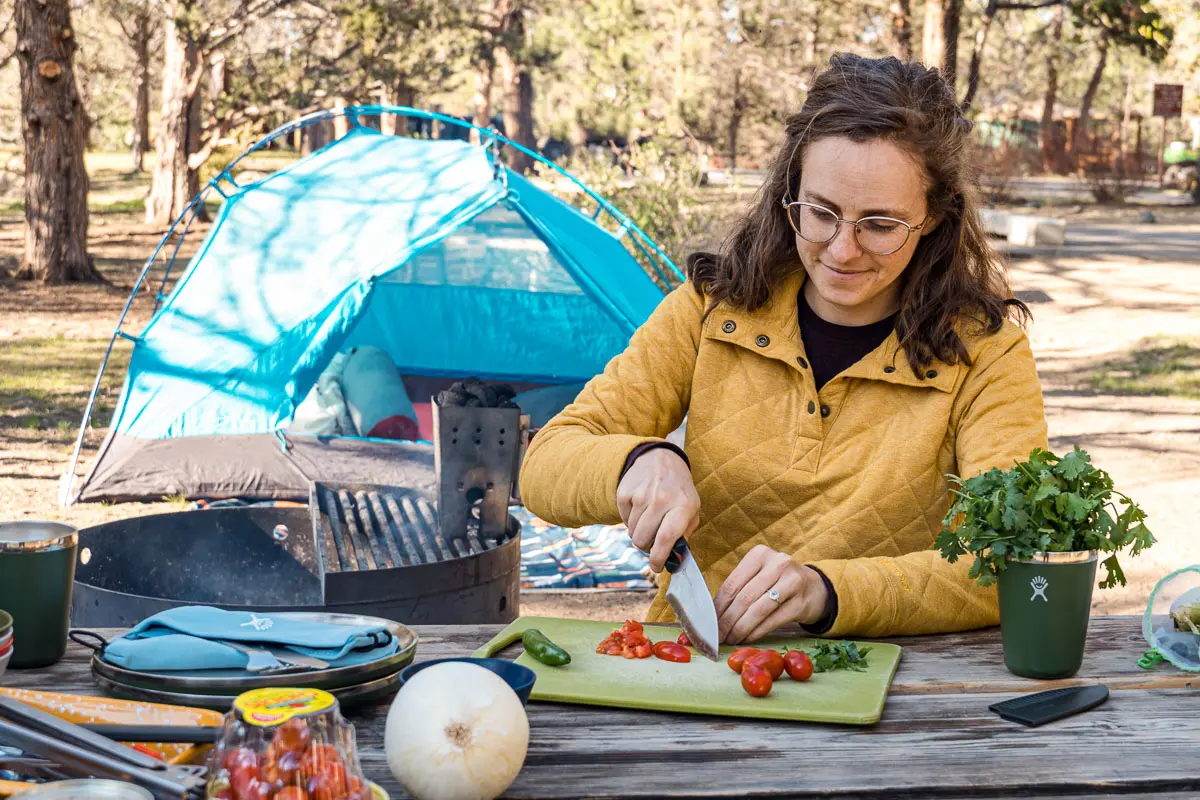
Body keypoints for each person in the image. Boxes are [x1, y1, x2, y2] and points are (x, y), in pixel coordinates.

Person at [518, 53, 1048, 642]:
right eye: (819, 213)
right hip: (691, 668)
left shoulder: (986, 354)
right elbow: (544, 466)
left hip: (893, 686)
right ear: (787, 193)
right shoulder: (708, 311)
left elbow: (1009, 563)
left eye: (880, 224)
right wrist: (636, 460)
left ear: (934, 220)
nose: (842, 251)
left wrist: (825, 592)